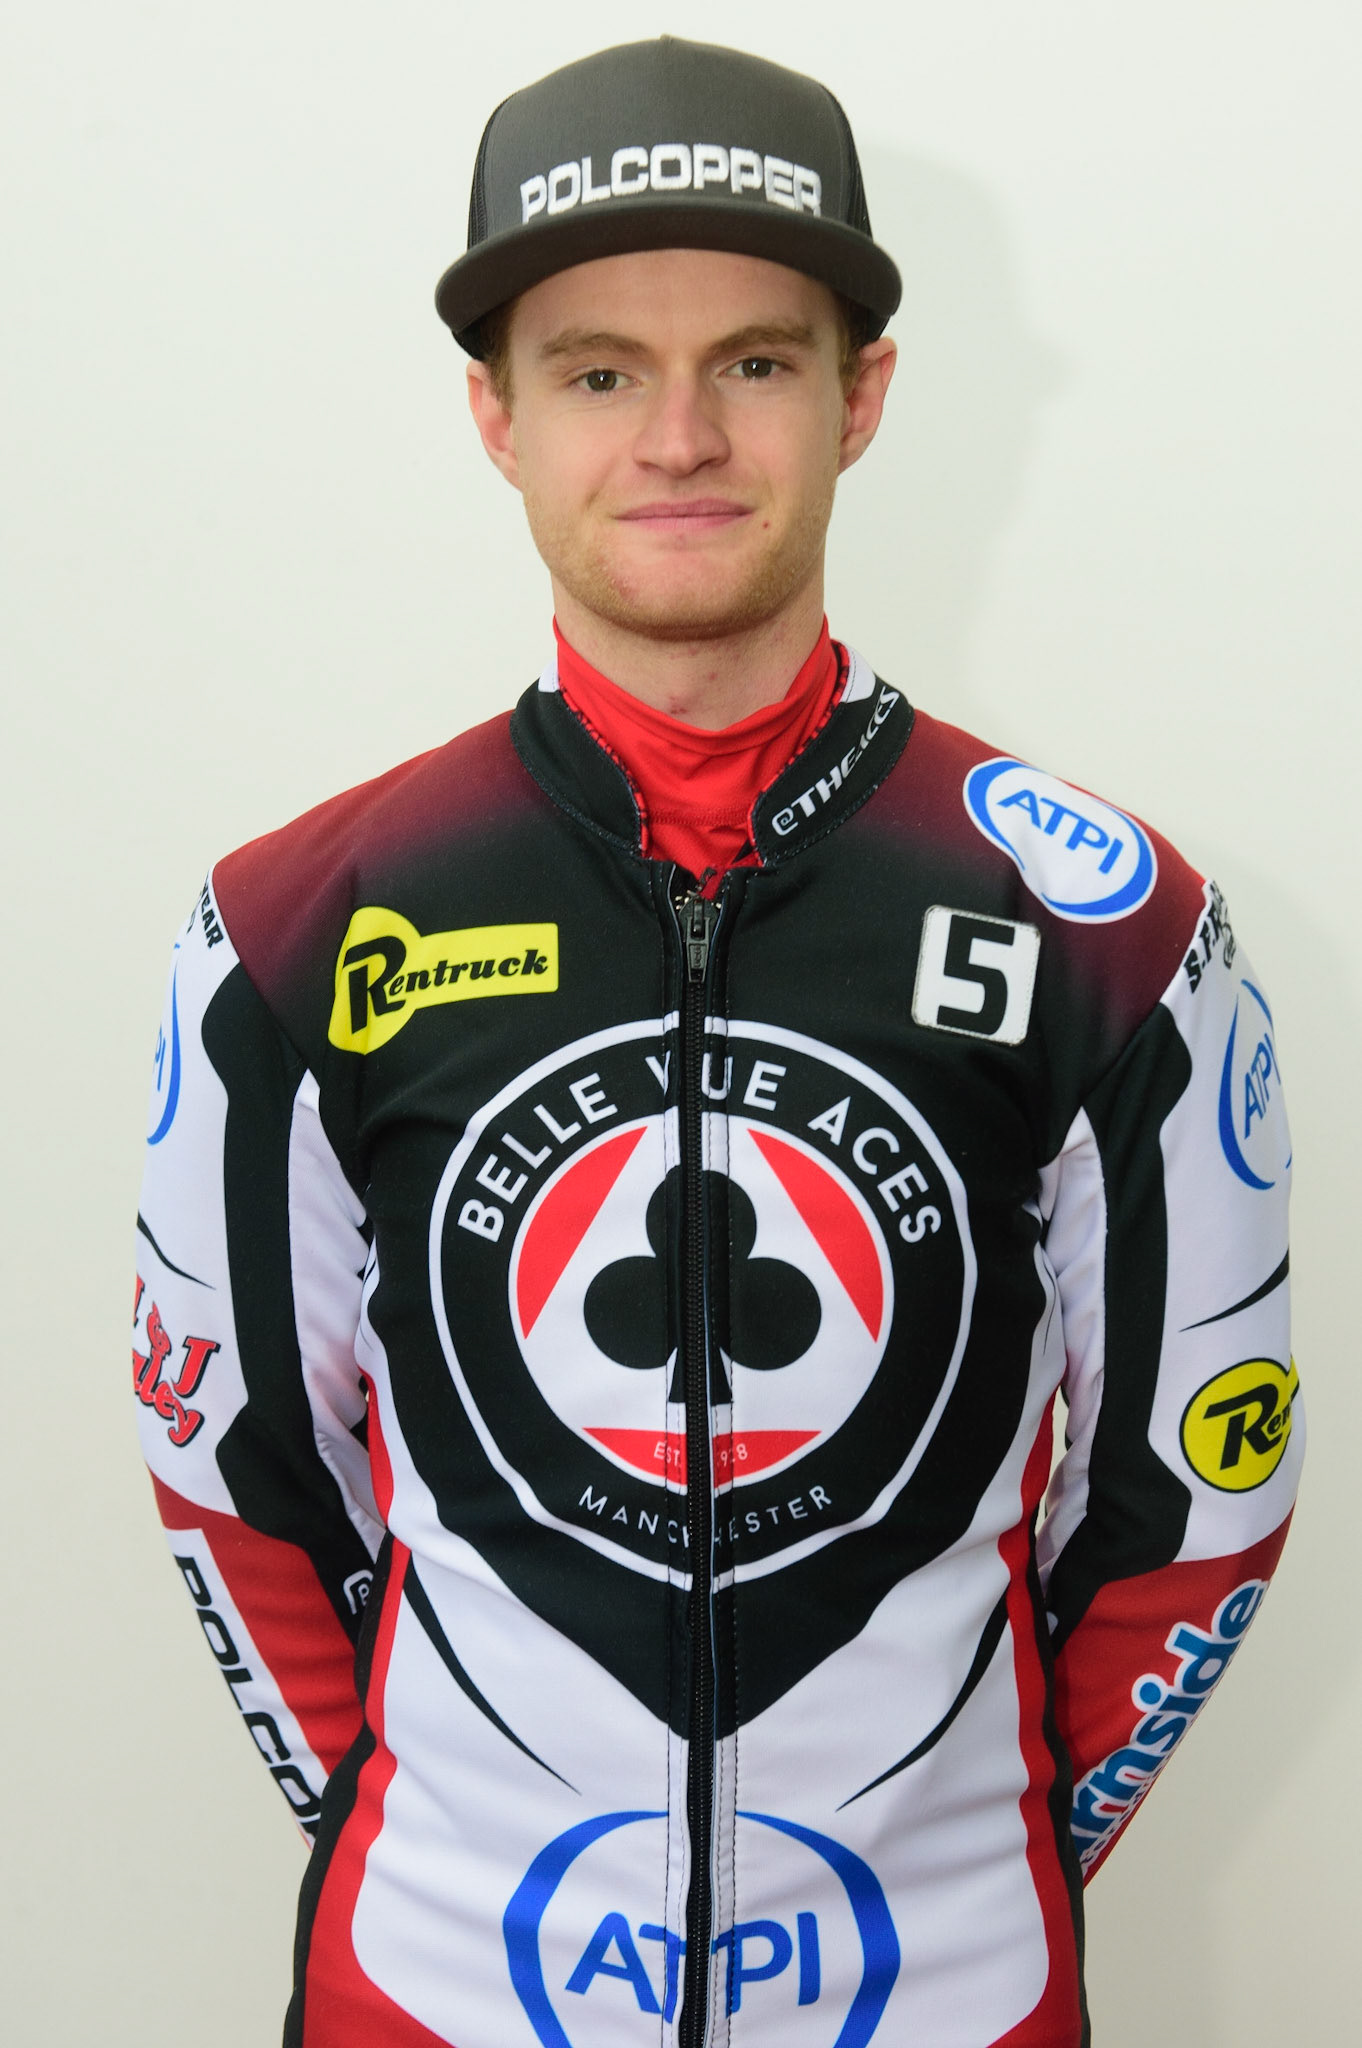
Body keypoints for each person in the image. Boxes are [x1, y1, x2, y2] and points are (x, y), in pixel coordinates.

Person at [132, 36, 1301, 2048]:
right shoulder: (291, 928)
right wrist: (425, 1834)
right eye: (599, 370)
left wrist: (963, 1855)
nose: (678, 435)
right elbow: (239, 1476)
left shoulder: (1121, 931)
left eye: (754, 361)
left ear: (865, 397)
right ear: (496, 418)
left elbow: (1191, 1508)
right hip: (435, 1994)